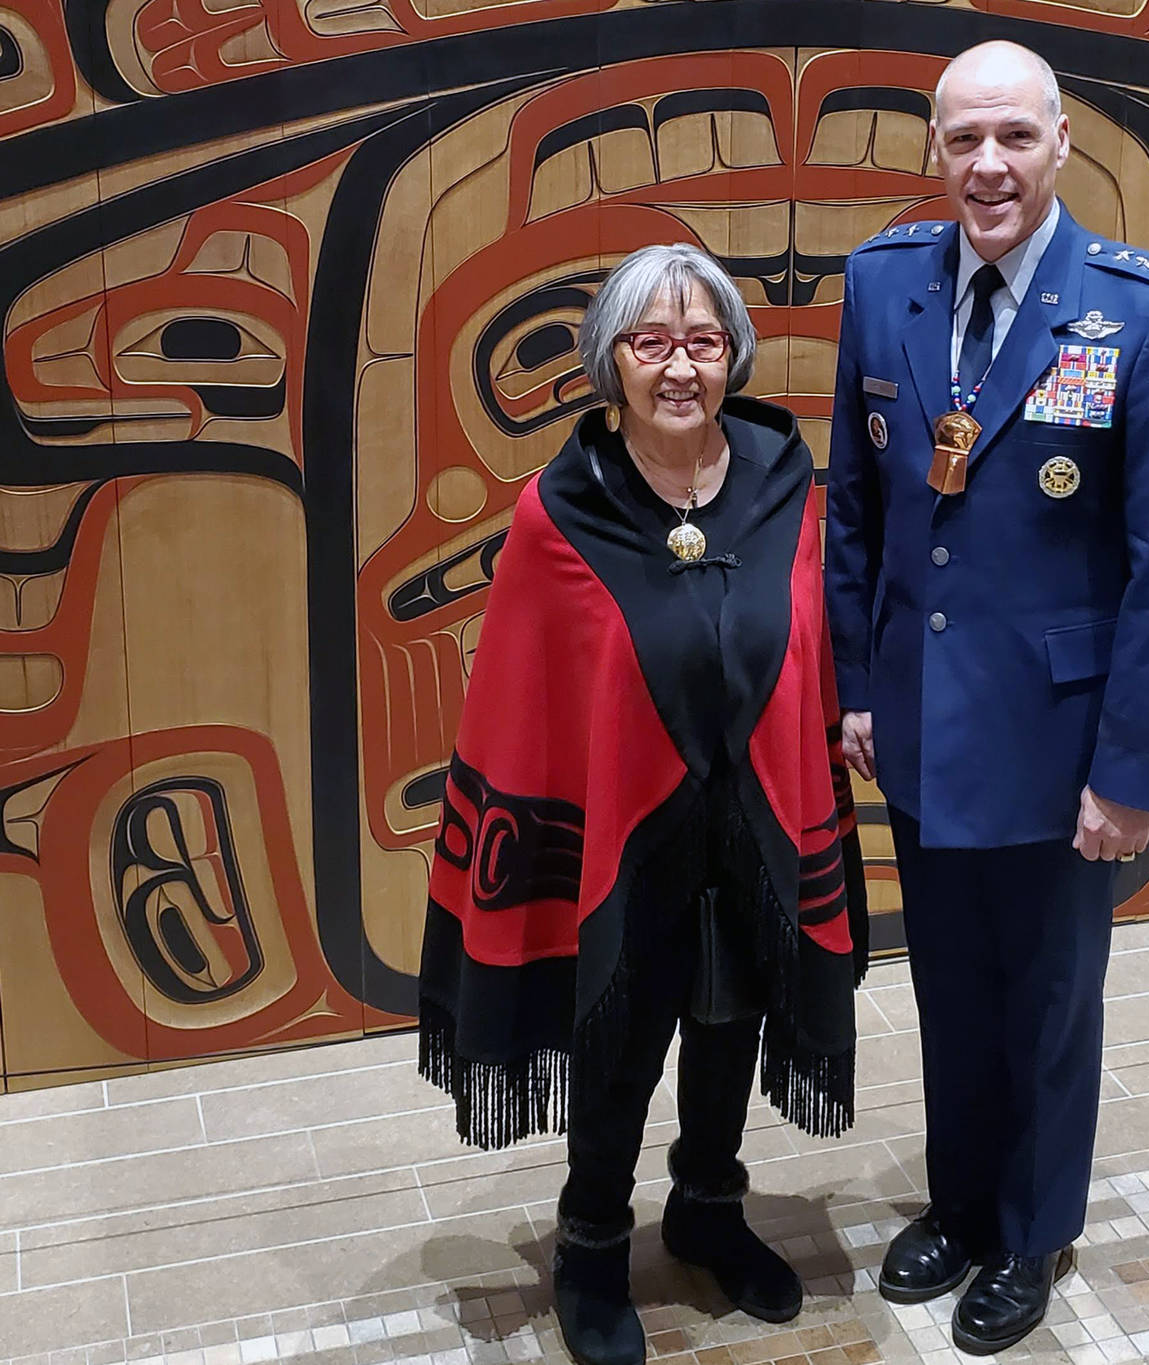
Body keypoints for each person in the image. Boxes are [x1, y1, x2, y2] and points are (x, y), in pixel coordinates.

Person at [824, 40, 1149, 1355]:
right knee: (949, 983)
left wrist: (1132, 769)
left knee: (1050, 998)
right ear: (934, 151)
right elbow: (856, 508)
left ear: (1062, 145)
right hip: (924, 721)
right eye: (963, 140)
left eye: (1013, 137)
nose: (987, 165)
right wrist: (858, 685)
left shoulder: (1145, 311)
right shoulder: (883, 284)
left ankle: (1030, 1227)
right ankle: (956, 1202)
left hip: (1065, 744)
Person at [418, 243, 869, 1365]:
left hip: (751, 815)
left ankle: (709, 1209)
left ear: (734, 356)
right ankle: (588, 1244)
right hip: (627, 829)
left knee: (731, 1022)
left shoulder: (780, 478)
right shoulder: (560, 509)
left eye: (703, 341)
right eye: (650, 340)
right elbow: (522, 698)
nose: (679, 366)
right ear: (607, 360)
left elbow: (811, 637)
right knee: (618, 1041)